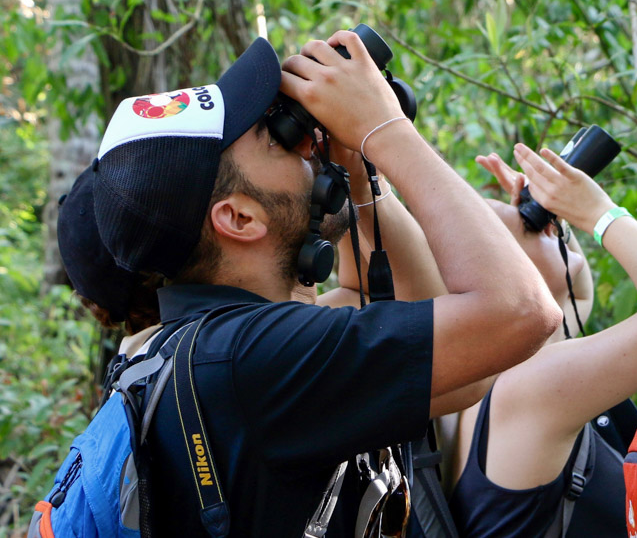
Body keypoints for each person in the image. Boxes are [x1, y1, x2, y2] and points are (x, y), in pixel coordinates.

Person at [59, 33, 562, 537]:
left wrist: (357, 173)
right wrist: (383, 130)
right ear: (238, 216)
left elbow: (463, 369)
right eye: (274, 137)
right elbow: (519, 311)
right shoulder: (252, 361)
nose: (305, 144)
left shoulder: (207, 353)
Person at [443, 143, 637, 536]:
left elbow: (576, 300)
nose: (547, 226)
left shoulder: (500, 377)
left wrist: (554, 217)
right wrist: (598, 212)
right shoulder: (526, 391)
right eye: (526, 224)